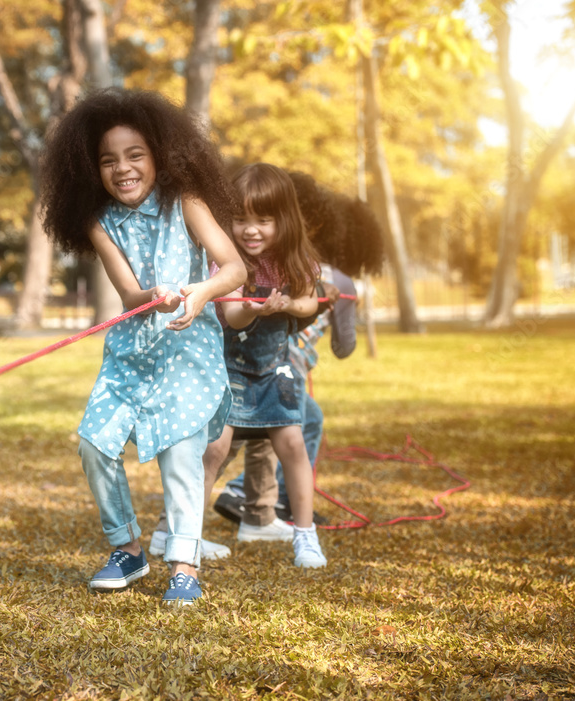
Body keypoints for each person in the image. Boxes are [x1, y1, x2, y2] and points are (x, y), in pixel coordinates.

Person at [39, 88, 246, 605]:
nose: (123, 169)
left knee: (181, 456)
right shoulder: (98, 221)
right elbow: (128, 291)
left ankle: (184, 566)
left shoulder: (187, 203)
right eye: (109, 160)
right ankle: (127, 549)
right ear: (93, 169)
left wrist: (201, 291)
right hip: (130, 352)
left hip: (186, 350)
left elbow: (235, 266)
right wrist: (149, 296)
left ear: (159, 156)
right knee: (94, 442)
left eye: (135, 155)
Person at [201, 162, 328, 569]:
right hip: (230, 367)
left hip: (276, 368)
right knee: (214, 449)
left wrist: (287, 304)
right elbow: (234, 316)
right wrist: (255, 311)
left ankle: (305, 536)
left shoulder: (295, 258)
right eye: (240, 219)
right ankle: (184, 534)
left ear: (284, 220)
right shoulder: (227, 260)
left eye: (263, 220)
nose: (251, 230)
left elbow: (311, 302)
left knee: (292, 443)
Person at [214, 265, 357, 528]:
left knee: (300, 425)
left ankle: (265, 508)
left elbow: (301, 308)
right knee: (222, 445)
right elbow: (344, 346)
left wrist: (313, 301)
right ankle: (239, 495)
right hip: (274, 365)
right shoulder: (337, 278)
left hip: (270, 363)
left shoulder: (294, 262)